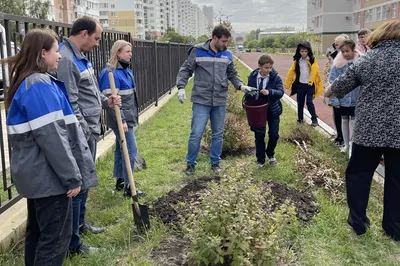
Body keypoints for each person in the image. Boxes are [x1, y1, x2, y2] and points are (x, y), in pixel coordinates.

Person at [4, 29, 96, 266]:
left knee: (38, 234)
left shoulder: (30, 82)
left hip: (37, 176)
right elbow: (52, 138)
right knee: (56, 240)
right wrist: (72, 177)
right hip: (49, 178)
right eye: (56, 51)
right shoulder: (39, 85)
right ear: (42, 53)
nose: (60, 56)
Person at [324, 20, 400, 239]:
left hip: (368, 130)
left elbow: (340, 86)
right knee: (397, 179)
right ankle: (394, 228)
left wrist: (327, 93)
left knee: (358, 174)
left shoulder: (369, 60)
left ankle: (359, 223)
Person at [56, 16, 121, 255]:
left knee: (85, 184)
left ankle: (80, 226)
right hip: (80, 134)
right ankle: (73, 244)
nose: (97, 44)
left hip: (90, 131)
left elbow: (89, 93)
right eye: (95, 38)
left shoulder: (81, 57)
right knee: (78, 185)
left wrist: (106, 101)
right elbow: (71, 103)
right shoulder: (66, 59)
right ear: (83, 33)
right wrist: (83, 134)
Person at [176, 25, 256, 175]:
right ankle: (191, 164)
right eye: (224, 41)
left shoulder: (227, 55)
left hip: (220, 100)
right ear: (214, 38)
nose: (226, 44)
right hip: (201, 99)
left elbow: (232, 73)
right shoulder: (197, 51)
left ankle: (215, 163)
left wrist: (240, 86)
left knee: (218, 134)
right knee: (196, 133)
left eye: (227, 42)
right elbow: (186, 69)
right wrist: (181, 87)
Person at [98, 40, 145, 197]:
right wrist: (122, 121)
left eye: (131, 52)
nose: (130, 55)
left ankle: (121, 181)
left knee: (120, 149)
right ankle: (129, 187)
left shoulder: (126, 71)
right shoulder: (110, 73)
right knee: (130, 150)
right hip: (120, 119)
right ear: (117, 52)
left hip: (128, 117)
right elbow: (110, 102)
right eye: (127, 51)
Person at [244, 54, 283, 167]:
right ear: (259, 66)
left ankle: (270, 154)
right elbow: (249, 92)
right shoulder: (252, 76)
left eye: (270, 67)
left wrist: (270, 92)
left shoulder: (275, 77)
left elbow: (280, 92)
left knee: (274, 135)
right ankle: (260, 160)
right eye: (266, 68)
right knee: (259, 135)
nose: (269, 70)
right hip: (258, 110)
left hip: (272, 109)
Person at [328, 39, 362, 156]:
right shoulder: (337, 64)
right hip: (343, 99)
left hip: (356, 99)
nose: (345, 54)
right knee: (344, 120)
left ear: (353, 50)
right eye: (343, 52)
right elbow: (332, 81)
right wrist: (335, 99)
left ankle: (352, 146)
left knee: (353, 122)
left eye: (348, 51)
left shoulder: (360, 63)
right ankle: (346, 144)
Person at [284, 41, 324, 126]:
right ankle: (300, 119)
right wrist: (287, 84)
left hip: (310, 85)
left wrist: (311, 81)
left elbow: (314, 71)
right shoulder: (297, 61)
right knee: (300, 103)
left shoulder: (312, 60)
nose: (304, 53)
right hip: (300, 85)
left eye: (305, 51)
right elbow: (291, 72)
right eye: (302, 51)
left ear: (308, 51)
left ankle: (314, 120)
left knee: (309, 102)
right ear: (299, 51)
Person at [325, 34, 350, 146]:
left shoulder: (354, 57)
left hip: (349, 94)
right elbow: (332, 78)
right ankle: (340, 137)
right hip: (337, 91)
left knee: (350, 118)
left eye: (337, 44)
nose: (336, 46)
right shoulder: (334, 55)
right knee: (338, 114)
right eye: (335, 44)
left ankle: (348, 140)